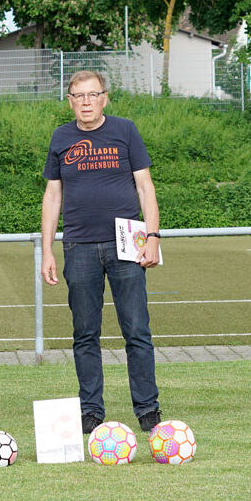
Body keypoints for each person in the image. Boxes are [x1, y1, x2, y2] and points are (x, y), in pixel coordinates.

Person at [41, 70, 163, 435]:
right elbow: (52, 195)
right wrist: (47, 249)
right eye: (78, 96)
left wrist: (154, 235)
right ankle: (91, 410)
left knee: (137, 330)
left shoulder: (125, 131)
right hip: (78, 247)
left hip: (127, 243)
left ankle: (147, 409)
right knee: (85, 335)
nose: (86, 102)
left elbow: (146, 187)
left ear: (105, 98)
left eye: (92, 95)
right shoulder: (61, 137)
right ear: (70, 101)